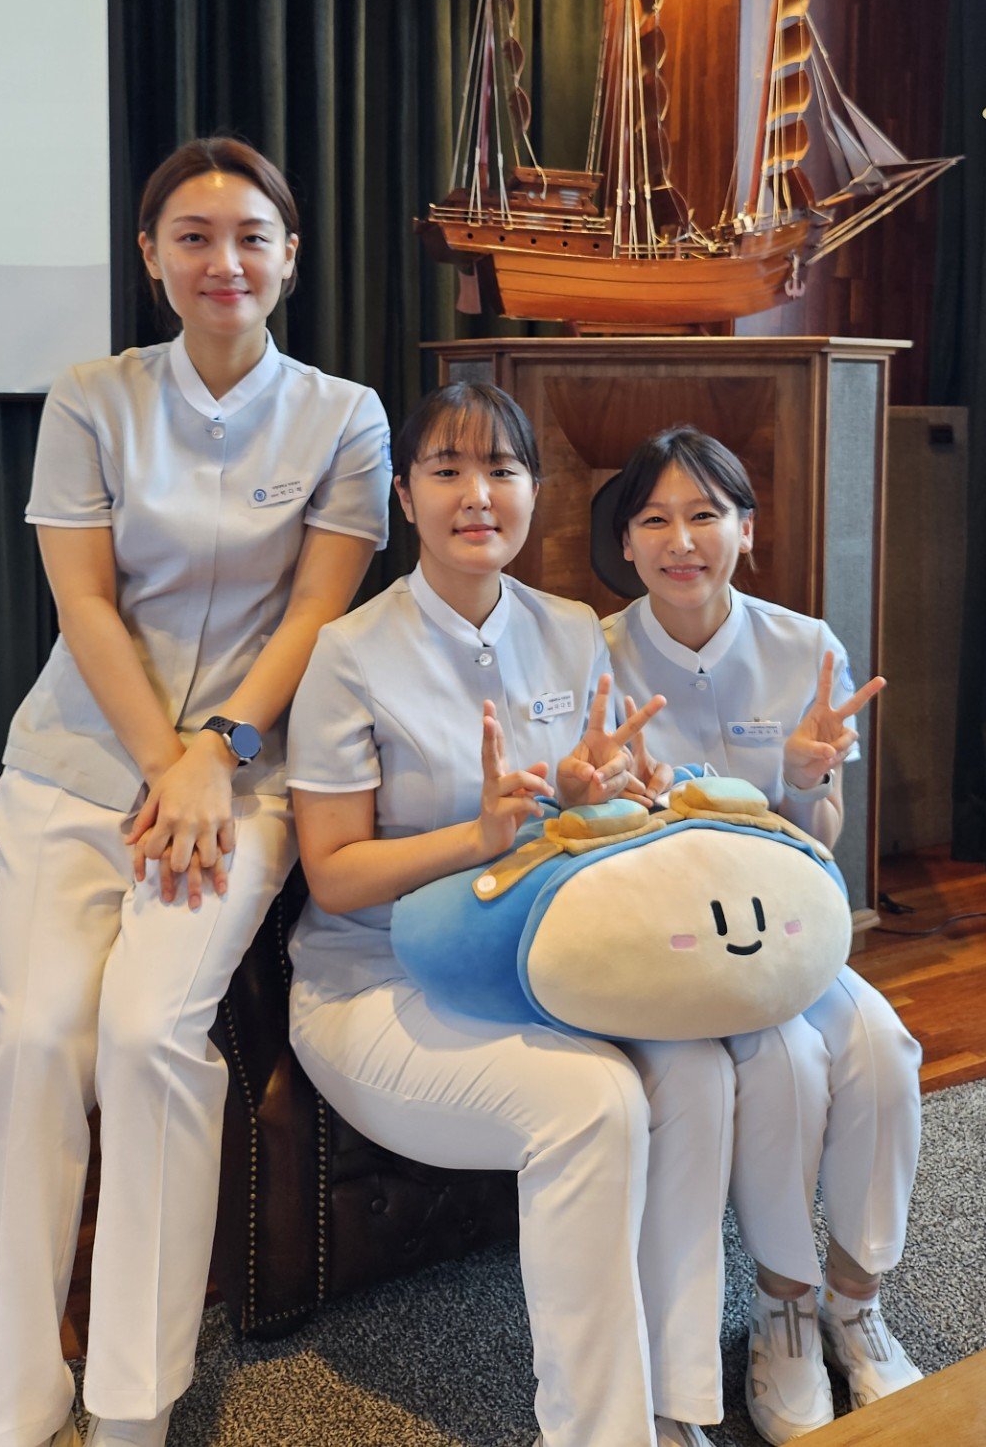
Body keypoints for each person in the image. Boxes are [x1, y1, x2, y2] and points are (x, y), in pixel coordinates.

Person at [0, 137, 391, 1447]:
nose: (226, 260)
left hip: (245, 784)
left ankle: (130, 1403)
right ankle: (11, 1396)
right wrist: (171, 761)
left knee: (150, 1033)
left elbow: (318, 607)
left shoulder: (344, 416)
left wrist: (220, 753)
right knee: (36, 1045)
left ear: (290, 257)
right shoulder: (91, 397)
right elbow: (86, 602)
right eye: (195, 236)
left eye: (252, 235)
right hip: (76, 771)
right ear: (152, 255)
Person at [287, 381, 733, 1447]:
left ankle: (678, 1401)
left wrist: (605, 793)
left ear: (537, 490)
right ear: (405, 497)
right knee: (593, 1102)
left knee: (698, 1072)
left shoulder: (571, 628)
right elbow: (334, 875)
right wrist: (479, 836)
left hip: (542, 963)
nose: (477, 495)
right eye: (447, 470)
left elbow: (600, 802)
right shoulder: (349, 653)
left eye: (503, 469)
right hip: (379, 981)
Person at [594, 425, 924, 1445]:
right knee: (785, 1064)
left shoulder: (805, 647)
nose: (680, 541)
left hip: (788, 922)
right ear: (626, 540)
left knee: (884, 1047)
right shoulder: (594, 654)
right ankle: (783, 1310)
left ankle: (856, 1302)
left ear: (746, 527)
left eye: (705, 515)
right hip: (676, 946)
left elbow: (821, 837)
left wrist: (808, 776)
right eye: (654, 519)